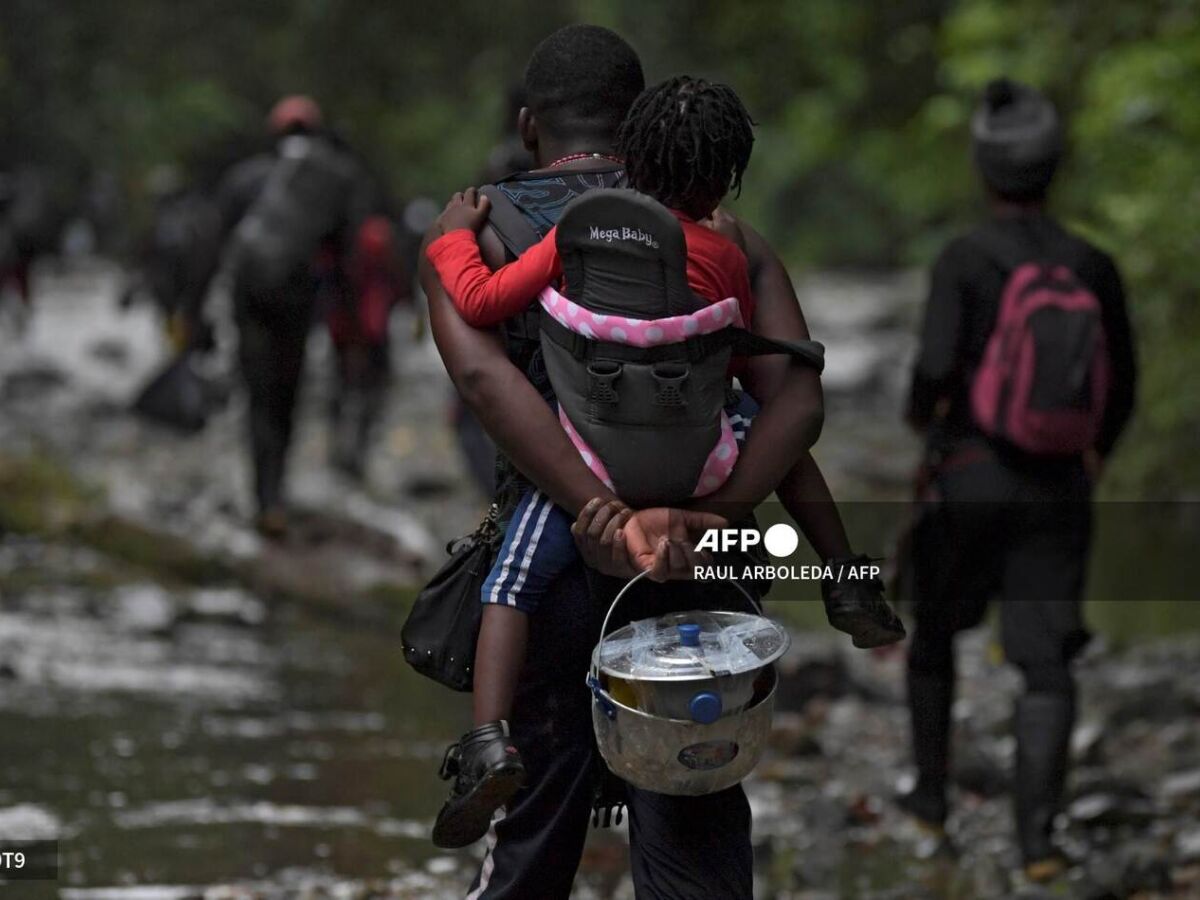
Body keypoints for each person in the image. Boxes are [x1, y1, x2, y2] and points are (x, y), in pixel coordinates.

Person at [422, 25, 881, 899]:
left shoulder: (476, 232)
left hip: (556, 559)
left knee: (532, 834)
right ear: (641, 124)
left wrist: (597, 506)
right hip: (699, 559)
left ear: (528, 127)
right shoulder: (724, 238)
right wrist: (719, 514)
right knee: (693, 816)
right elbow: (796, 400)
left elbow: (484, 384)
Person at [899, 78, 1137, 881]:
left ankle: (929, 804)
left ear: (983, 168)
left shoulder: (965, 260)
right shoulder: (1092, 265)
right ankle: (1037, 845)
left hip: (969, 477)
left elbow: (933, 367)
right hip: (1059, 487)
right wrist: (1092, 450)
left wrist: (922, 422)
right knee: (1046, 663)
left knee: (933, 636)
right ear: (1053, 168)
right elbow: (1123, 383)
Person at [202, 95, 365, 535]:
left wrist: (196, 314)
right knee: (287, 390)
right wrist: (349, 323)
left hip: (248, 296)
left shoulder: (243, 179)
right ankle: (277, 494)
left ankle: (263, 495)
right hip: (297, 297)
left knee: (256, 392)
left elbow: (213, 247)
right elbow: (345, 257)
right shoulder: (331, 178)